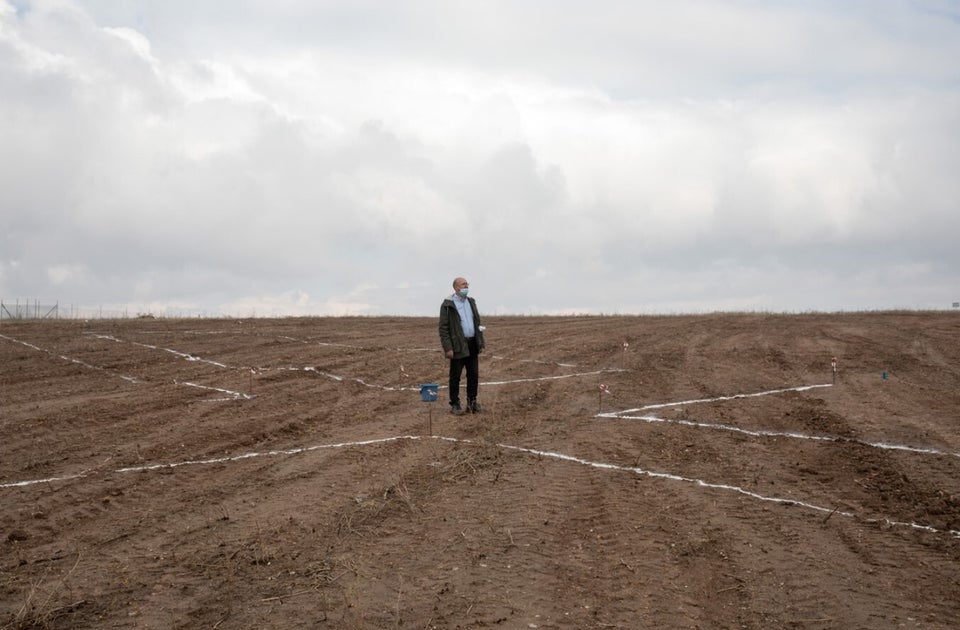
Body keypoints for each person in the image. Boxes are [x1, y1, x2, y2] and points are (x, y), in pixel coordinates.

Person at [438, 277, 485, 415]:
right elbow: (443, 328)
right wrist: (448, 348)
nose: (466, 286)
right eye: (464, 284)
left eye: (467, 284)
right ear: (456, 288)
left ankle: (472, 403)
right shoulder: (448, 305)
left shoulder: (471, 302)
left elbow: (477, 322)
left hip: (472, 344)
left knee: (473, 375)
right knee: (455, 376)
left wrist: (480, 341)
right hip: (457, 345)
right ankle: (455, 404)